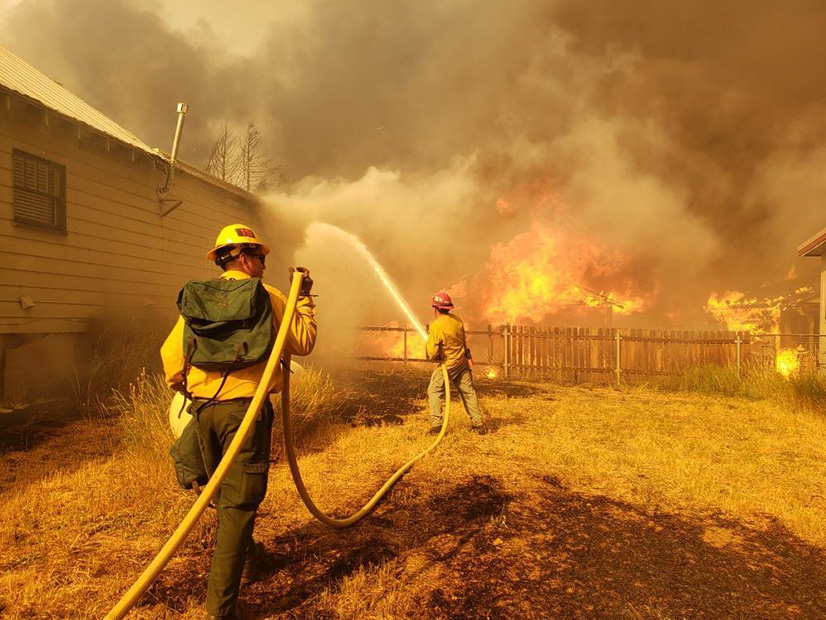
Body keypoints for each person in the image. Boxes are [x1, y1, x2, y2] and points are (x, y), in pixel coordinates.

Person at [161, 224, 316, 620]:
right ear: (245, 258)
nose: (265, 264)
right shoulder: (269, 296)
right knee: (239, 505)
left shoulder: (199, 298)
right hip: (244, 414)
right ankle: (222, 610)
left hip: (204, 411)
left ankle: (249, 558)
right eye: (261, 258)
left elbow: (171, 356)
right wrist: (305, 299)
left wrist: (192, 388)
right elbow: (303, 342)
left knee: (222, 495)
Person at [425, 291, 485, 435]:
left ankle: (437, 425)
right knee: (468, 392)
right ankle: (479, 424)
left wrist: (433, 351)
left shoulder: (436, 326)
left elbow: (432, 353)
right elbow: (463, 341)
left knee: (433, 391)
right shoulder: (457, 320)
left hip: (448, 365)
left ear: (435, 309)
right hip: (462, 362)